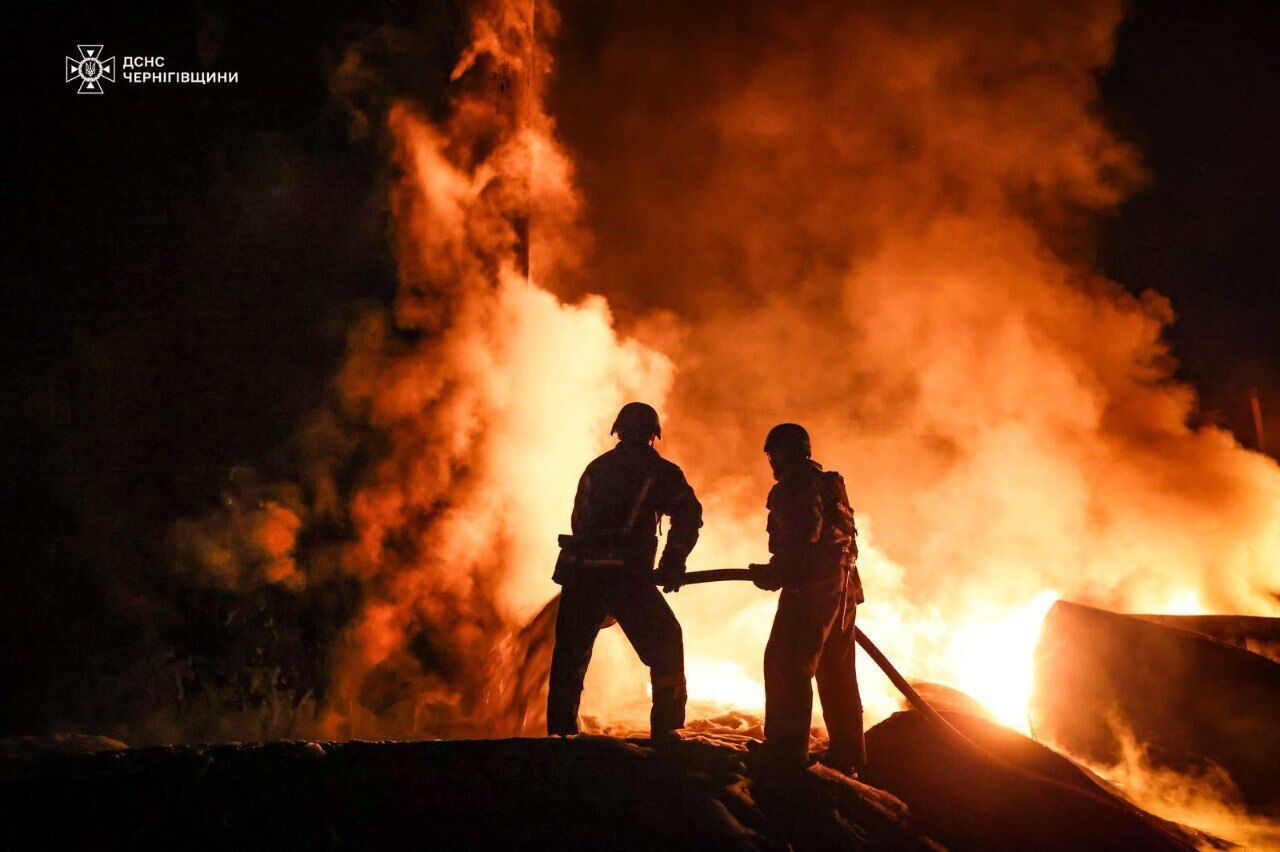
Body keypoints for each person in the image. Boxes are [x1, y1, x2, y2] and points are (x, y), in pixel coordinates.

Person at [547, 402, 703, 740]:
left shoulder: (597, 468)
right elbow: (688, 515)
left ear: (618, 430)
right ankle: (668, 735)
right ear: (653, 435)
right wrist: (673, 563)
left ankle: (558, 739)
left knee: (569, 663)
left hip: (582, 578)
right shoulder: (658, 470)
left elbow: (580, 521)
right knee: (666, 647)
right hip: (627, 580)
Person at [748, 422, 865, 775]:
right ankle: (849, 757)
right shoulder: (829, 484)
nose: (772, 463)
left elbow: (803, 535)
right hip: (843, 589)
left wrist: (777, 571)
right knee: (836, 673)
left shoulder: (796, 483)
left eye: (773, 455)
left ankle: (785, 754)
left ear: (783, 452)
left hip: (811, 589)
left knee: (786, 663)